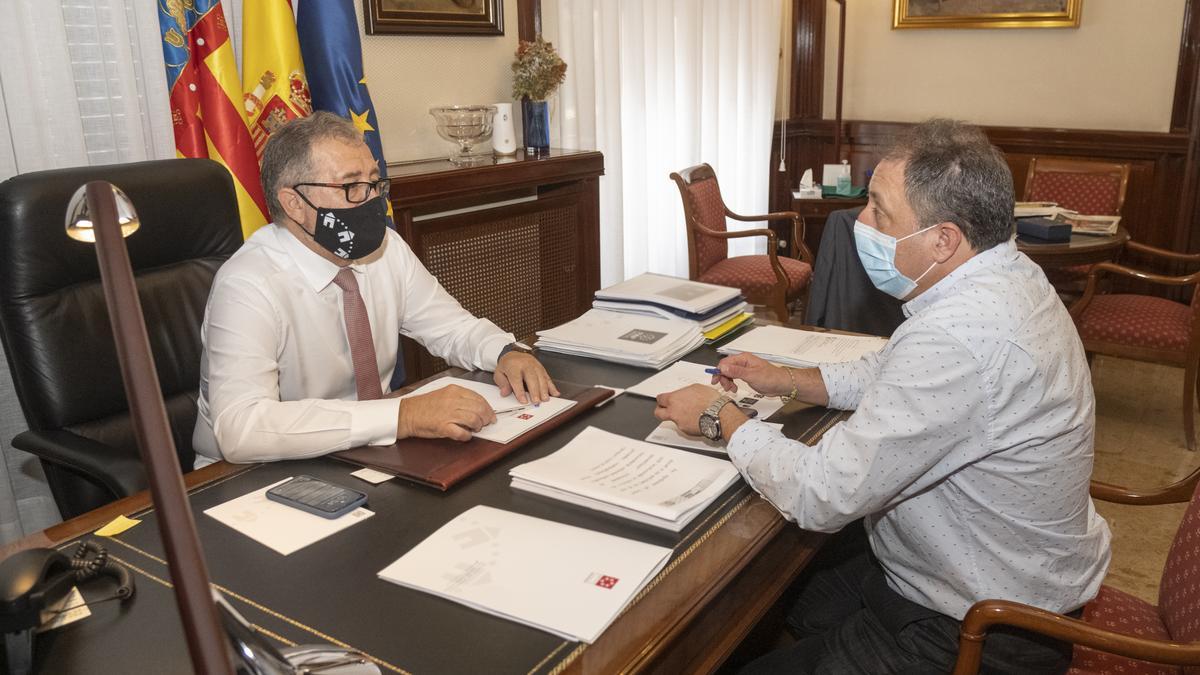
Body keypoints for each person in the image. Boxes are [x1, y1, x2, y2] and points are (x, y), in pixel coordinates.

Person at [654, 119, 1110, 674]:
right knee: (776, 593)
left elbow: (821, 494)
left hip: (976, 626)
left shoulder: (960, 335)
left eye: (878, 210)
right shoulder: (1004, 274)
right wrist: (788, 378)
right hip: (974, 564)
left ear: (943, 239)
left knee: (752, 628)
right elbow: (893, 371)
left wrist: (718, 418)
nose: (858, 223)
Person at [193, 111, 557, 465]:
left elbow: (450, 327)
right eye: (352, 186)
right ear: (294, 203)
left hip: (368, 452)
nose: (371, 201)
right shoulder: (248, 284)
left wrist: (505, 351)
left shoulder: (386, 250)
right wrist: (402, 415)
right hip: (253, 478)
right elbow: (240, 428)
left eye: (374, 183)